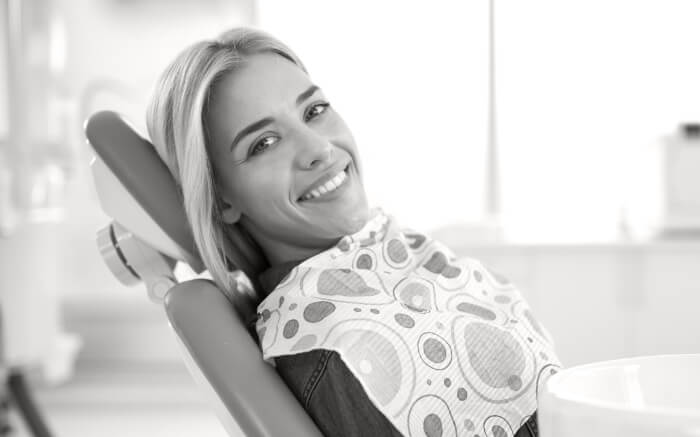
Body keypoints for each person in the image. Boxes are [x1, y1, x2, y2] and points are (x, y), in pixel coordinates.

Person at [146, 26, 558, 437]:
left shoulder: (404, 256)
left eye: (314, 111)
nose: (319, 149)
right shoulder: (342, 352)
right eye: (265, 143)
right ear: (221, 200)